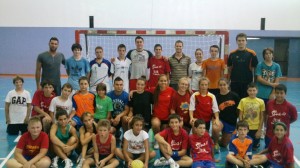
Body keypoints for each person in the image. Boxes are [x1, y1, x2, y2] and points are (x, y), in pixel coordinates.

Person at [189, 77, 222, 152]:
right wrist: (191, 118)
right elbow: (191, 109)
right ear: (199, 85)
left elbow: (215, 110)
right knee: (195, 126)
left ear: (208, 86)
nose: (204, 86)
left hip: (208, 120)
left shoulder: (212, 96)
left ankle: (216, 144)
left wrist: (216, 119)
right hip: (198, 120)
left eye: (205, 85)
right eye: (202, 85)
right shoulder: (194, 95)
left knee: (216, 127)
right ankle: (196, 145)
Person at [228, 33, 258, 98]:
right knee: (235, 101)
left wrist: (254, 82)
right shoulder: (232, 54)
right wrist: (228, 81)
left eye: (243, 40)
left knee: (246, 101)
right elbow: (229, 69)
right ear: (236, 42)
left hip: (247, 82)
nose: (241, 42)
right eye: (239, 40)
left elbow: (255, 69)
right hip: (234, 82)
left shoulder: (252, 53)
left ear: (246, 42)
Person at [238, 82, 265, 151]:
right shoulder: (243, 101)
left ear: (257, 91)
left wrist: (259, 130)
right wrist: (241, 128)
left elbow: (262, 117)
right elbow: (240, 115)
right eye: (250, 90)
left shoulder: (261, 101)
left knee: (254, 148)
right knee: (245, 147)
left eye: (254, 90)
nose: (252, 92)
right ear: (247, 91)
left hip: (256, 128)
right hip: (246, 128)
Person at [216, 78, 240, 147]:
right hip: (221, 120)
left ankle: (222, 138)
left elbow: (238, 110)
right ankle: (215, 143)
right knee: (215, 128)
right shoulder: (216, 97)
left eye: (224, 85)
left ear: (228, 85)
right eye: (220, 85)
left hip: (230, 121)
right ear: (218, 86)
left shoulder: (235, 96)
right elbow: (215, 111)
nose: (222, 86)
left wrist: (236, 123)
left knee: (224, 144)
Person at [106, 77, 129, 141]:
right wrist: (110, 118)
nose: (119, 86)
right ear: (113, 85)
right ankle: (115, 132)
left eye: (121, 85)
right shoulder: (108, 95)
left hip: (120, 117)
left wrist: (118, 116)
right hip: (111, 117)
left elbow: (126, 110)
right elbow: (106, 109)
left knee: (125, 119)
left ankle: (125, 138)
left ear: (123, 85)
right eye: (117, 84)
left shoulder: (126, 95)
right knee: (110, 129)